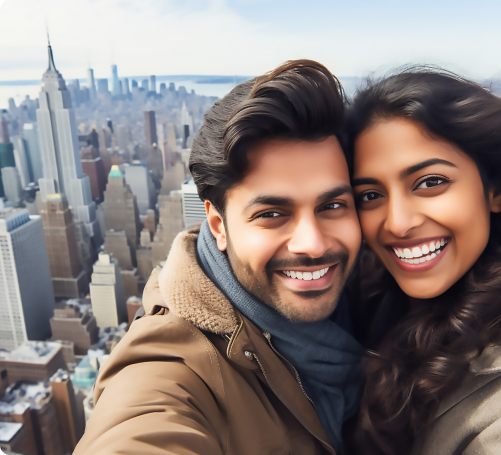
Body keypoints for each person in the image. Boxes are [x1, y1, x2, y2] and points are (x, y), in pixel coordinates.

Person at [73, 60, 364, 455]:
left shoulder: (382, 295)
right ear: (218, 224)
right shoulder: (173, 368)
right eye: (271, 214)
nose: (312, 244)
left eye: (332, 205)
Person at [346, 68, 501, 455]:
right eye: (370, 196)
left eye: (430, 182)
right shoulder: (361, 300)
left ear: (494, 191)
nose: (398, 223)